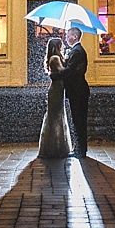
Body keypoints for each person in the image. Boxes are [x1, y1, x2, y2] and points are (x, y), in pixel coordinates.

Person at [50, 27, 90, 158]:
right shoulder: (76, 51)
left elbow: (70, 71)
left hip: (78, 91)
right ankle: (79, 148)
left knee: (79, 120)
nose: (66, 38)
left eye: (68, 35)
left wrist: (55, 76)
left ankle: (80, 150)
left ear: (74, 36)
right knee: (77, 120)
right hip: (77, 90)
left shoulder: (77, 51)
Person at [37, 37, 72, 159]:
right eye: (61, 45)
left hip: (58, 89)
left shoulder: (54, 58)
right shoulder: (55, 58)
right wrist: (68, 61)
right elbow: (63, 72)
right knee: (56, 118)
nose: (62, 47)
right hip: (56, 90)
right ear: (57, 46)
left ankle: (54, 146)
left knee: (56, 117)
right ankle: (54, 148)